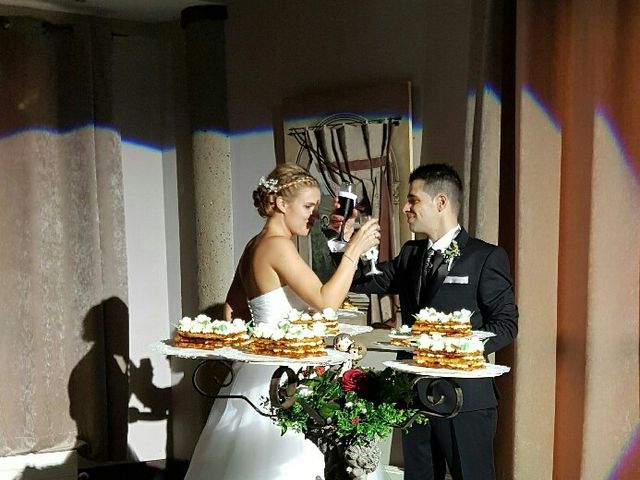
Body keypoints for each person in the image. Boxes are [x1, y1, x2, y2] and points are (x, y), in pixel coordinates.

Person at [184, 164, 383, 480]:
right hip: (285, 375)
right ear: (280, 203)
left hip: (258, 373)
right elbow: (326, 302)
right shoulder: (278, 245)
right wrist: (354, 250)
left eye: (315, 207)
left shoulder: (255, 244)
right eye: (307, 206)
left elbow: (231, 311)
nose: (313, 215)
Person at [330, 163, 518, 480]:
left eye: (413, 200)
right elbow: (361, 281)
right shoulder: (410, 253)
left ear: (440, 202)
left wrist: (452, 348)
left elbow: (506, 325)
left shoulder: (485, 257)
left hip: (464, 397)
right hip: (413, 395)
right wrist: (343, 241)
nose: (405, 208)